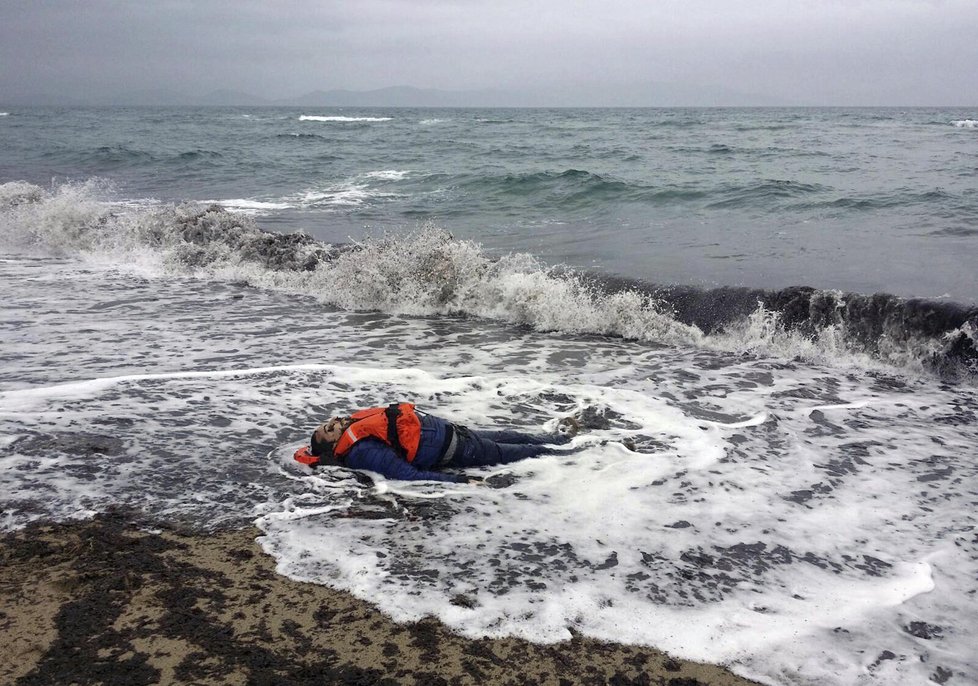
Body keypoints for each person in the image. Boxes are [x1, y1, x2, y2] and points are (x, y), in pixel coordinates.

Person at [293, 402, 579, 483]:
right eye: (330, 430)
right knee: (522, 452)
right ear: (333, 446)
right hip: (458, 448)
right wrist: (460, 481)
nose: (334, 422)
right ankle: (582, 456)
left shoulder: (358, 430)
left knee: (512, 435)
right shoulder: (361, 451)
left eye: (328, 422)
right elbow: (408, 475)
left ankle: (560, 439)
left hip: (455, 433)